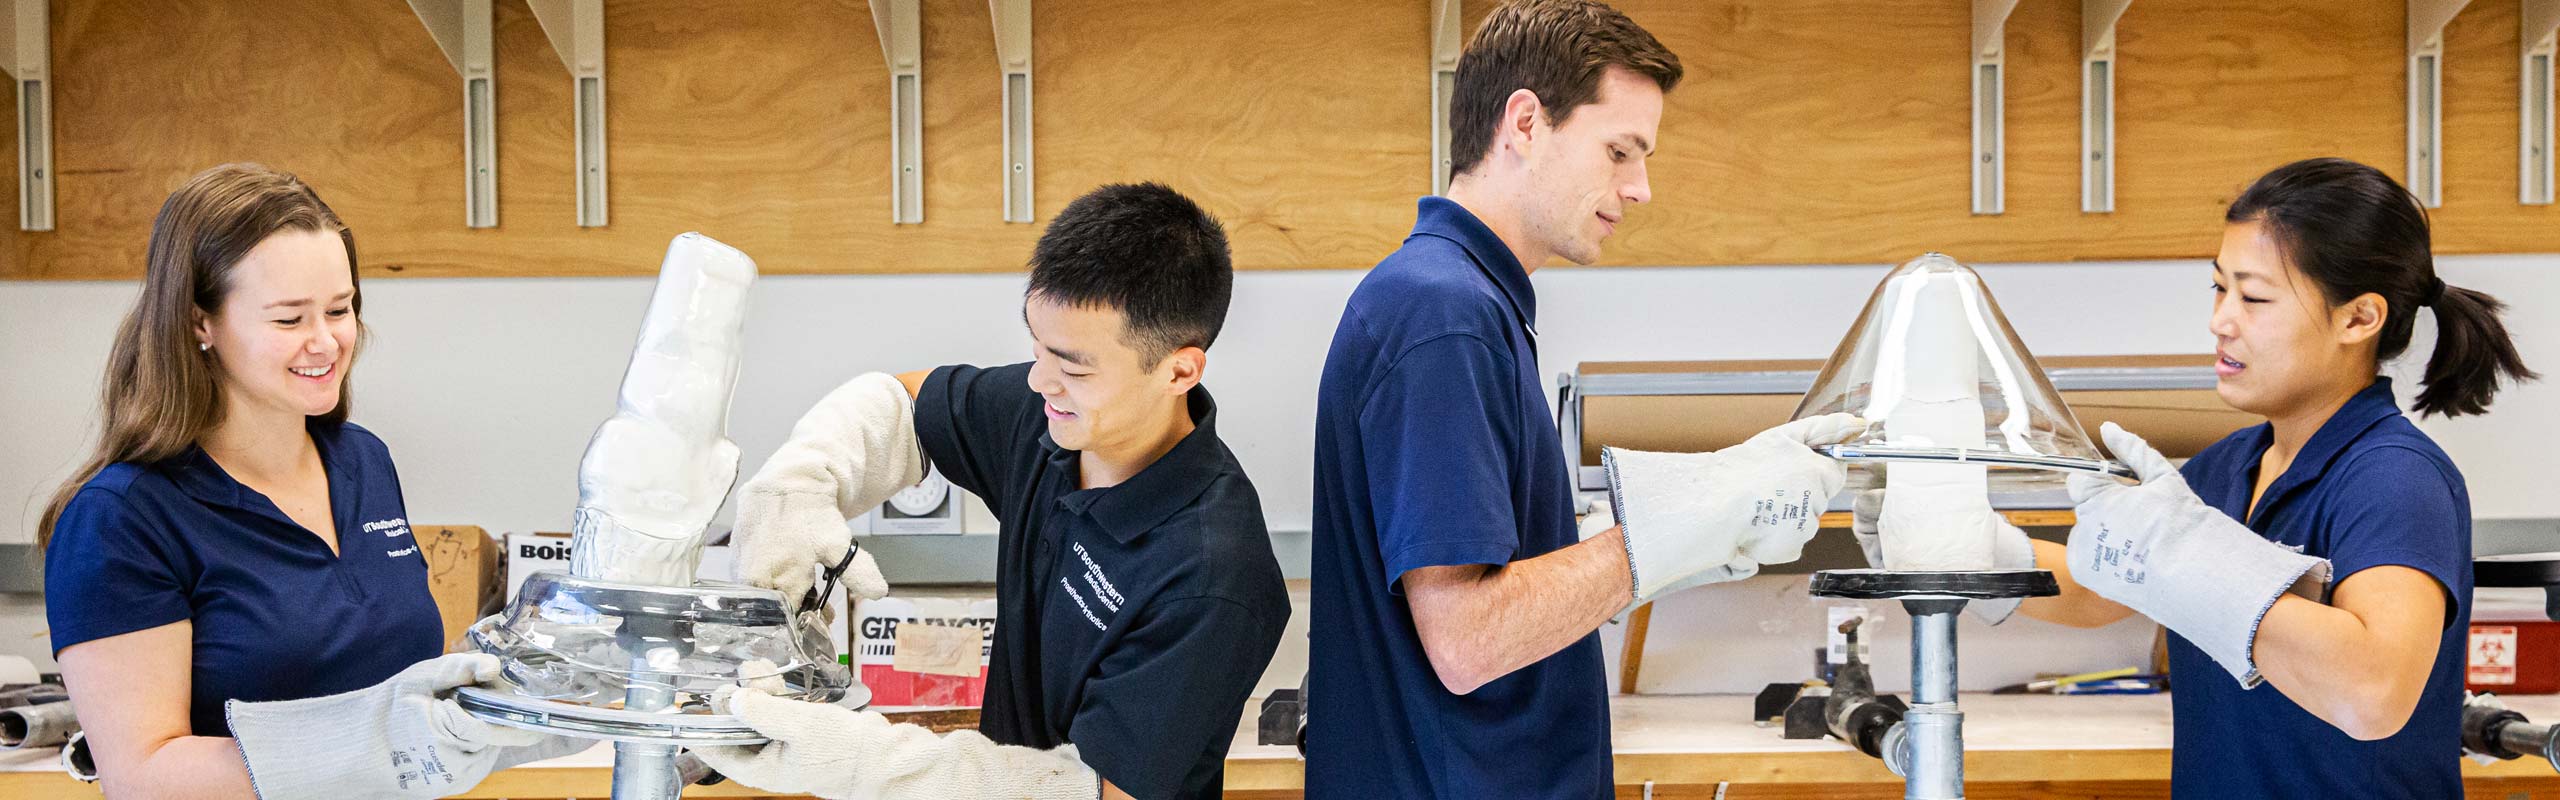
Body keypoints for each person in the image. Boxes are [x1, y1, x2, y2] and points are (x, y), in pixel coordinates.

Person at [1305, 2, 1860, 796]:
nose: (1640, 189)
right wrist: (1680, 520)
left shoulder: (1471, 302)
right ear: (1525, 123)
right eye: (1619, 151)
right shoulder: (1442, 315)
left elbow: (1499, 586)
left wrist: (1687, 530)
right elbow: (1469, 641)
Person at [1882, 157, 2531, 798]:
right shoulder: (2228, 465)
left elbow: (2373, 690)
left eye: (2254, 296)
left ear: (2359, 318)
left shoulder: (2394, 478)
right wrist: (1971, 549)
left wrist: (2186, 552)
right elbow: (2107, 586)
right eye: (2219, 288)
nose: (2222, 320)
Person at [694, 182, 1291, 800]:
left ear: (1178, 370)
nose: (1040, 380)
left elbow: (1103, 792)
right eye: (1036, 348)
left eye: (1074, 367)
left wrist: (863, 764)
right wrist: (799, 482)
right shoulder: (1053, 419)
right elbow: (906, 403)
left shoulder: (1213, 575)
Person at [42, 163, 570, 799]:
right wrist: (390, 746)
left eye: (340, 309)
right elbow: (143, 777)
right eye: (289, 320)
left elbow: (388, 685)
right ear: (198, 323)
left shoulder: (363, 462)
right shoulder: (121, 518)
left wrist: (535, 706)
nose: (326, 342)